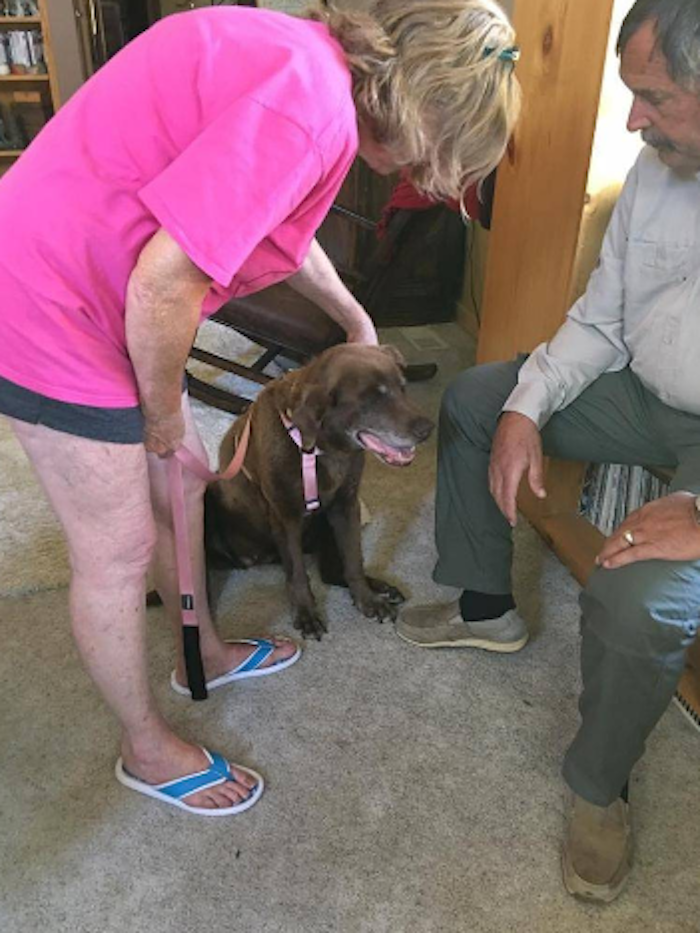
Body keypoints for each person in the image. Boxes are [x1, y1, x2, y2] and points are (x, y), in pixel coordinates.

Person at [0, 1, 521, 816]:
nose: (421, 176)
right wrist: (163, 421)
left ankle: (201, 652)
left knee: (182, 494)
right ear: (426, 107)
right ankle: (145, 748)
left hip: (97, 281)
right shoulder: (310, 109)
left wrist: (353, 317)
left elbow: (278, 223)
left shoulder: (310, 73)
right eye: (439, 154)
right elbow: (162, 283)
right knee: (117, 548)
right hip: (48, 300)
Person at [397, 0, 700, 901]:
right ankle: (486, 606)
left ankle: (598, 788)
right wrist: (527, 406)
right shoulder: (656, 169)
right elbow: (602, 318)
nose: (633, 121)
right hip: (643, 388)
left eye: (654, 97)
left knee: (639, 597)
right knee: (479, 398)